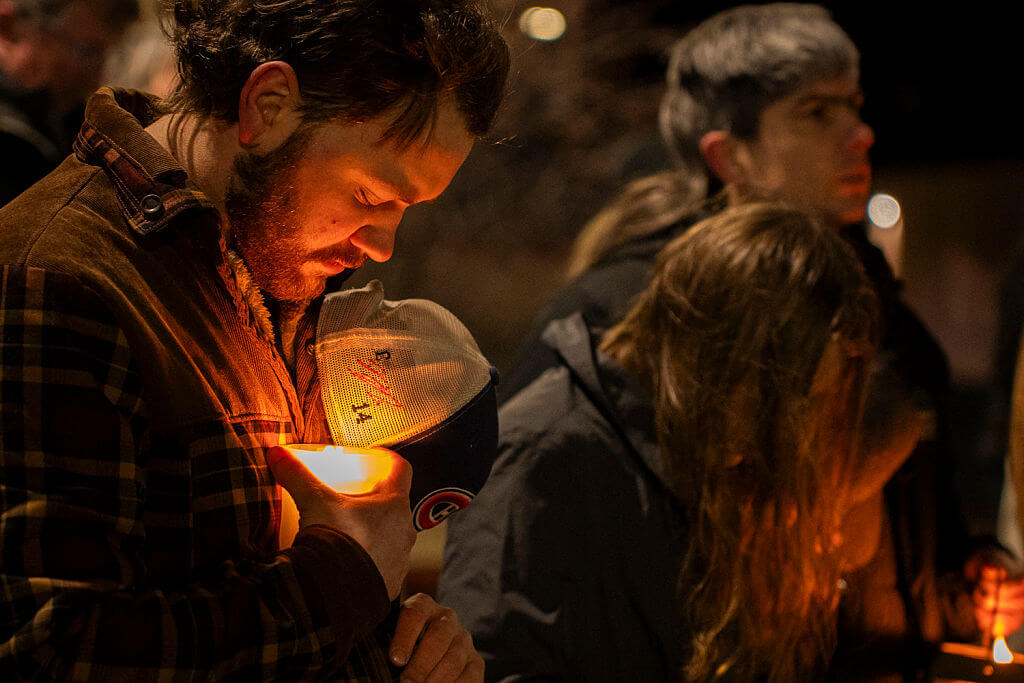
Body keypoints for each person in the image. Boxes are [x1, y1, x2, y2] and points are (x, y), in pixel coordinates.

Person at [497, 5, 1023, 679]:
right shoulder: (629, 320)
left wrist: (970, 582)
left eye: (854, 106)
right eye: (815, 113)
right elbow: (526, 571)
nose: (860, 134)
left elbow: (917, 555)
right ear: (729, 154)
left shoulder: (893, 326)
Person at [0, 0, 509, 679]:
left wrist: (399, 647)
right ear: (267, 107)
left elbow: (269, 581)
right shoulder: (59, 281)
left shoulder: (272, 263)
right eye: (369, 196)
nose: (383, 245)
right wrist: (346, 577)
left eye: (406, 210)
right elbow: (59, 649)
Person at [441, 203, 882, 680]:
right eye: (780, 396)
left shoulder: (693, 453)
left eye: (809, 408)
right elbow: (490, 666)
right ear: (714, 347)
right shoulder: (541, 454)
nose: (781, 434)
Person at [0, 0, 140, 205]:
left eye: (110, 56)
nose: (97, 79)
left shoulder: (74, 123)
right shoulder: (9, 137)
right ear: (12, 29)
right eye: (86, 52)